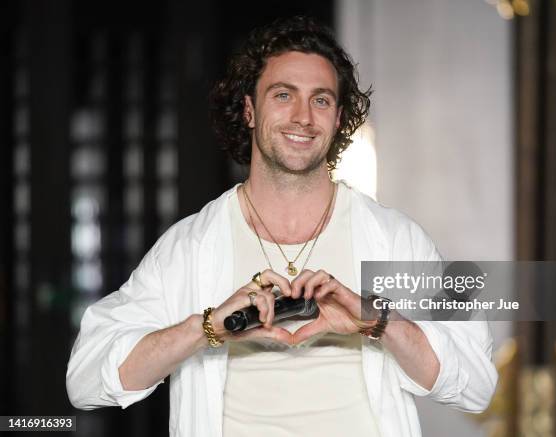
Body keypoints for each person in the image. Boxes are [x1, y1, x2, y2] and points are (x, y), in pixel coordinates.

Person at [66, 16, 498, 437]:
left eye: (321, 99)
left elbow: (477, 383)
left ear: (338, 116)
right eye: (283, 95)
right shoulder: (190, 246)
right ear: (250, 110)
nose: (303, 117)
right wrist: (209, 326)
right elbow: (85, 380)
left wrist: (377, 321)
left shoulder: (394, 239)